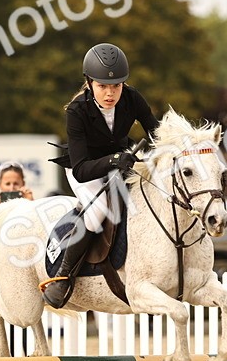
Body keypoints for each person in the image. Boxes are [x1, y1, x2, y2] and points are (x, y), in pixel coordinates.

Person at [42, 43, 158, 307]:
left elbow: (156, 131)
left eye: (116, 86)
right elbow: (83, 170)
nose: (110, 93)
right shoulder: (77, 111)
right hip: (85, 168)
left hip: (122, 160)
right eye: (103, 86)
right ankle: (63, 278)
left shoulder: (132, 98)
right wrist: (116, 159)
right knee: (97, 212)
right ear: (89, 82)